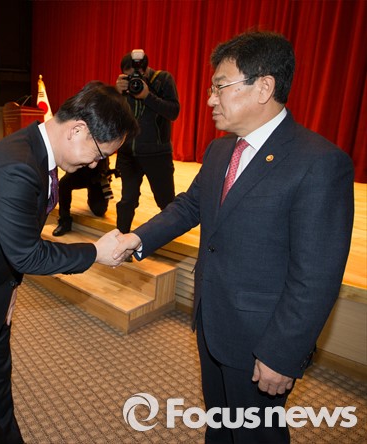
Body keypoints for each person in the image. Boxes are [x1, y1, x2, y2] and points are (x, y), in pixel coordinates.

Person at [113, 31, 354, 443]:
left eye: (219, 86)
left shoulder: (319, 163)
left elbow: (316, 277)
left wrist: (282, 353)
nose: (210, 99)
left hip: (261, 339)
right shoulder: (220, 151)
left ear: (264, 87)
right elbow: (189, 206)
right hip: (212, 321)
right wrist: (136, 239)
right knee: (221, 426)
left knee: (256, 436)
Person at [0, 81, 137, 443]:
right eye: (100, 154)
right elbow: (26, 252)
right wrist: (95, 252)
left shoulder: (34, 151)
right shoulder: (15, 167)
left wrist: (11, 287)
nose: (96, 164)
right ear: (77, 130)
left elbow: (12, 242)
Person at [114, 49, 180, 239]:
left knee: (166, 202)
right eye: (128, 77)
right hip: (128, 153)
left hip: (157, 154)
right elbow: (114, 115)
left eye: (136, 75)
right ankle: (120, 241)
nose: (133, 80)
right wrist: (116, 93)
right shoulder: (124, 87)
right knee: (127, 201)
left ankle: (167, 238)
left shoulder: (163, 79)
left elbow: (173, 112)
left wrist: (147, 96)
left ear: (145, 69)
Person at [52, 157, 111, 236]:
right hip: (79, 170)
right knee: (64, 183)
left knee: (99, 211)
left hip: (98, 174)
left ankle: (92, 195)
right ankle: (64, 221)